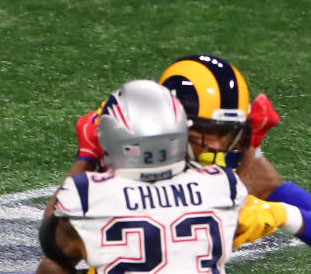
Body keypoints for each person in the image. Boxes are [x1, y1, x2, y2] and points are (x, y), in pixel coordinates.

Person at [36, 79, 307, 274]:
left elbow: (48, 261)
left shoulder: (89, 196)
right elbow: (260, 192)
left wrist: (86, 155)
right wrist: (252, 147)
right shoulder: (221, 186)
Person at [59, 54, 311, 248]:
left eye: (230, 132)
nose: (221, 144)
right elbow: (58, 235)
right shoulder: (133, 146)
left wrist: (250, 145)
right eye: (215, 131)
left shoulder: (198, 145)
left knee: (264, 184)